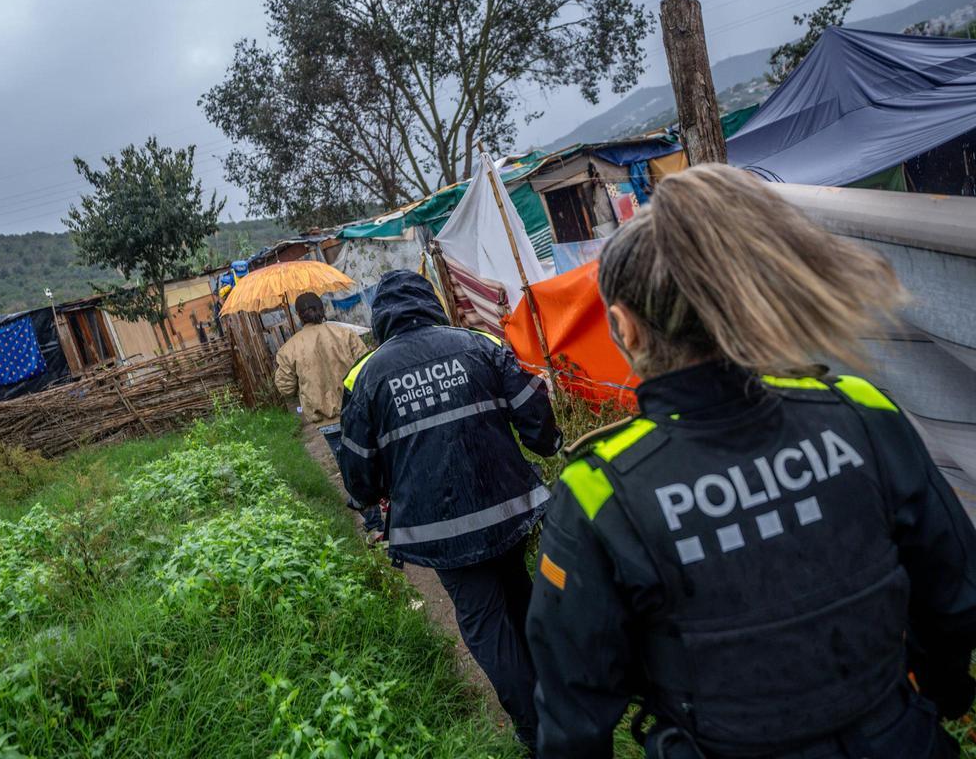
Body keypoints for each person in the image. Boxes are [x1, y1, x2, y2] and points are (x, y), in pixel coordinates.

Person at [525, 163, 976, 759]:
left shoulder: (598, 491)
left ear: (624, 328)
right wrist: (931, 699)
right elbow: (954, 595)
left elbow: (574, 711)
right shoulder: (859, 411)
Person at [338, 269, 562, 752]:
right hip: (509, 509)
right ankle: (562, 703)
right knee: (519, 593)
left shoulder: (368, 376)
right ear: (431, 302)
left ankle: (538, 733)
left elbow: (358, 470)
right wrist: (548, 444)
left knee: (484, 620)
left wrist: (373, 496)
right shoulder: (478, 345)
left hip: (441, 532)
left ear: (381, 319)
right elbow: (535, 416)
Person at [272, 292, 381, 533]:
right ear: (323, 309)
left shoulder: (290, 349)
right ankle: (395, 514)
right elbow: (368, 369)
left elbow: (285, 387)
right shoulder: (345, 335)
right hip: (358, 414)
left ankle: (375, 526)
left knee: (350, 470)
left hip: (328, 423)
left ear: (299, 316)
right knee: (374, 460)